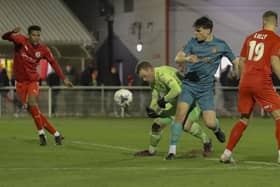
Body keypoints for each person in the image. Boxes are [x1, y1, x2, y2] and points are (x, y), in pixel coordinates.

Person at [167, 16, 239, 159]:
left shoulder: (221, 45)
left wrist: (236, 72)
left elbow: (235, 61)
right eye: (195, 31)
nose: (196, 34)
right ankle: (171, 151)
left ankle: (216, 129)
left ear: (208, 30)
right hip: (189, 85)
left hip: (206, 89)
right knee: (180, 116)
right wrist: (187, 59)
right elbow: (177, 58)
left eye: (199, 31)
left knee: (210, 123)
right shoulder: (192, 43)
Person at [220, 11, 280, 163]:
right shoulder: (275, 39)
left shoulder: (250, 37)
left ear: (263, 21)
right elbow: (274, 61)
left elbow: (241, 62)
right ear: (276, 23)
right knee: (279, 116)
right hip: (261, 81)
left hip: (245, 81)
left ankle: (226, 153)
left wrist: (243, 79)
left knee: (244, 119)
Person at [2, 25, 73, 145]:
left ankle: (41, 134)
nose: (36, 38)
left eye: (38, 35)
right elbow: (4, 37)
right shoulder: (20, 41)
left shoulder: (43, 49)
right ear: (28, 35)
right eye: (34, 35)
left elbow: (53, 63)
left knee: (32, 103)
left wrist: (64, 78)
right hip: (20, 83)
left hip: (33, 81)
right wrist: (12, 32)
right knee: (35, 112)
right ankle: (56, 134)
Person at [134, 61, 212, 157]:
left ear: (150, 70)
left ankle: (207, 140)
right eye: (142, 78)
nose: (144, 79)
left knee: (186, 126)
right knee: (156, 126)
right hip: (174, 103)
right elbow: (155, 96)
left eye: (144, 76)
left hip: (190, 100)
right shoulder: (153, 80)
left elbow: (177, 90)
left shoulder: (162, 74)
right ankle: (151, 151)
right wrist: (152, 109)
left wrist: (164, 99)